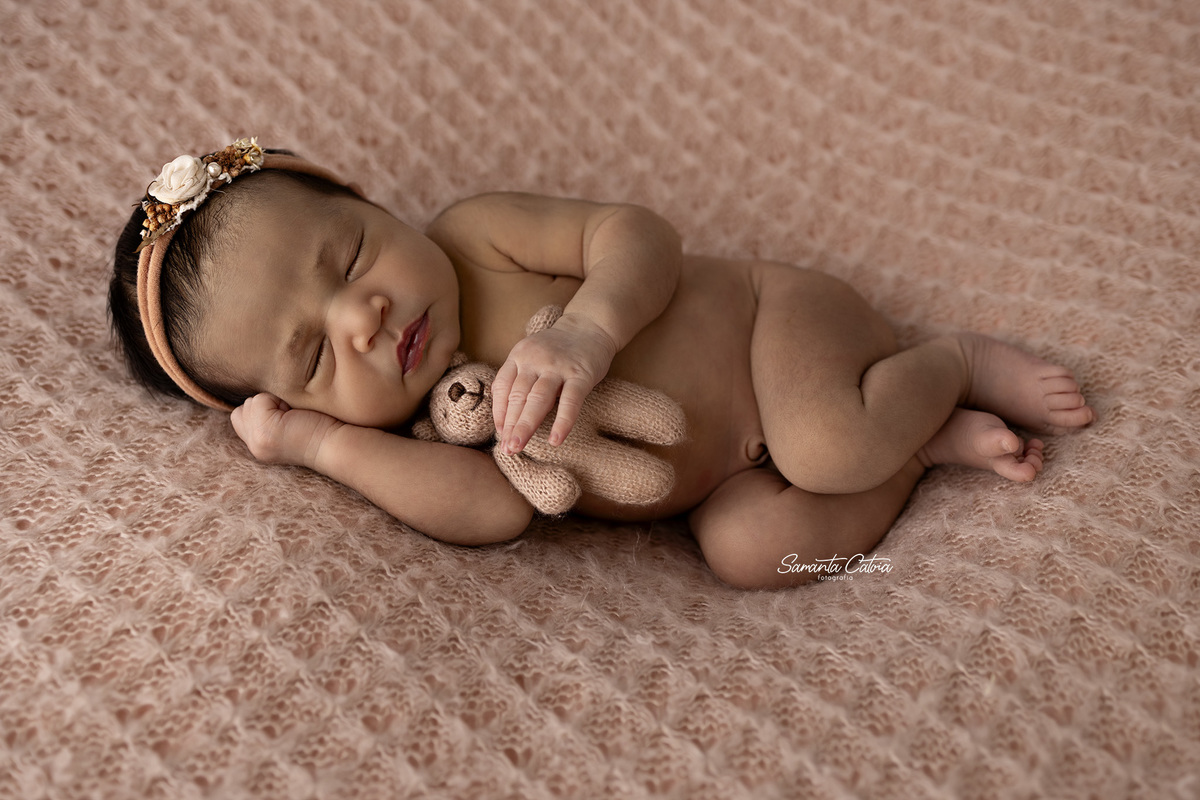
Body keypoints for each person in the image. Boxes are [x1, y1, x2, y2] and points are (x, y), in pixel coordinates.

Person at [109, 139, 1094, 589]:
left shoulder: (473, 237)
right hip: (720, 482)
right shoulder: (404, 434)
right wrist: (321, 442)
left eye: (352, 255)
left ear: (367, 199)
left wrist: (588, 329)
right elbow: (497, 512)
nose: (363, 317)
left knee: (829, 442)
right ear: (286, 395)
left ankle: (949, 361)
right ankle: (919, 447)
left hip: (771, 324)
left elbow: (642, 236)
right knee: (755, 552)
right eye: (319, 354)